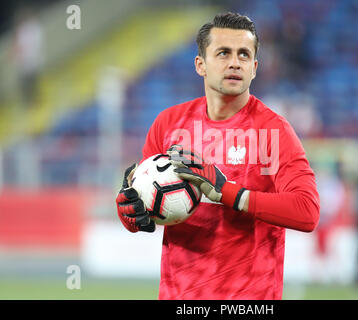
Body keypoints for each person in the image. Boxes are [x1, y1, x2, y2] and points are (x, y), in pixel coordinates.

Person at [116, 12, 320, 300]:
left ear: (255, 68)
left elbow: (307, 211)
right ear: (200, 64)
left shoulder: (273, 131)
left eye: (244, 55)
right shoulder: (168, 124)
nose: (235, 62)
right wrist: (130, 213)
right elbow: (145, 205)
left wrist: (230, 193)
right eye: (223, 53)